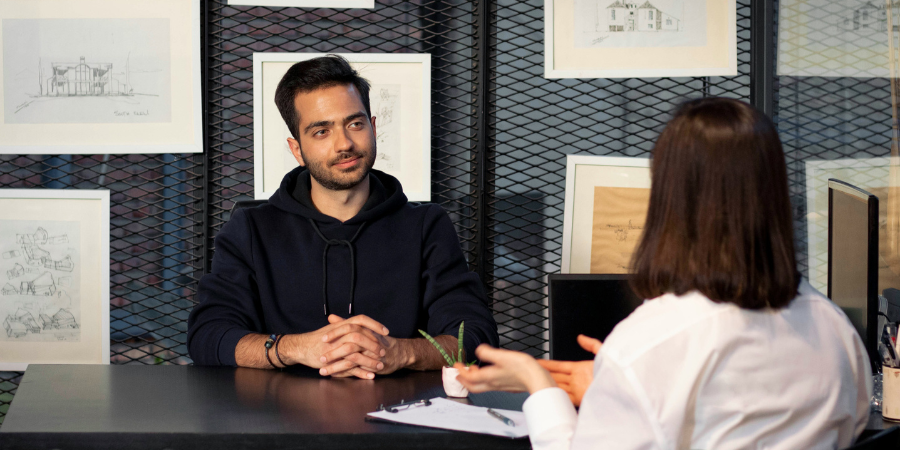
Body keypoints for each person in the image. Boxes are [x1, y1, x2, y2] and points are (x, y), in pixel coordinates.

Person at [455, 97, 872, 449]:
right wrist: (623, 382)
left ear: (670, 200)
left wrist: (539, 385)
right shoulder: (835, 329)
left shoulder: (650, 342)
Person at [188, 55, 499, 379]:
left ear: (373, 127)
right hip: (279, 420)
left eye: (355, 124)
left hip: (404, 419)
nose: (345, 144)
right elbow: (207, 336)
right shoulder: (252, 230)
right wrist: (297, 348)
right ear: (297, 149)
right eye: (321, 131)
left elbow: (477, 339)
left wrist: (399, 353)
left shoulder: (426, 226)